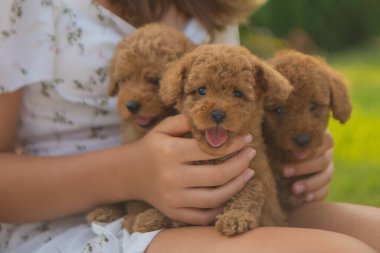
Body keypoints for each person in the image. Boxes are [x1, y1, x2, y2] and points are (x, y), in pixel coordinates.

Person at [0, 0, 379, 252]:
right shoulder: (26, 7)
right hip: (73, 225)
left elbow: (240, 98)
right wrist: (130, 174)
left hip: (226, 196)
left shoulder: (207, 5)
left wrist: (296, 150)